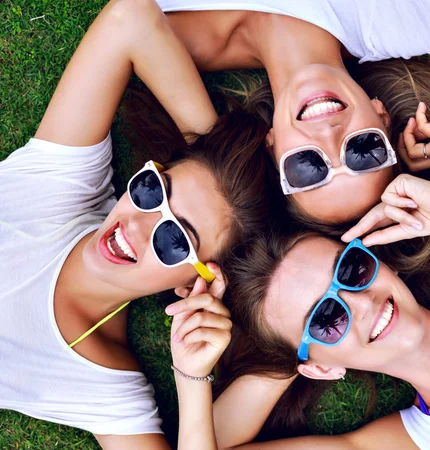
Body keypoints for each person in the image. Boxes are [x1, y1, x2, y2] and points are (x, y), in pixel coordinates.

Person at [166, 105, 430, 449]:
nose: (361, 303)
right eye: (325, 319)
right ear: (319, 369)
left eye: (351, 270)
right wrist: (192, 376)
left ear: (381, 262)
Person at [0, 0, 271, 448]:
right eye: (152, 190)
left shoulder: (98, 381)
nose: (136, 226)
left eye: (175, 238)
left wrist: (192, 378)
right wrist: (210, 150)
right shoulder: (64, 189)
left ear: (195, 284)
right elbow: (130, 18)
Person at [153, 0, 430, 225]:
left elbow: (126, 18)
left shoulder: (172, 34)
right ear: (382, 117)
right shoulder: (402, 23)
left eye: (308, 167)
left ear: (270, 145)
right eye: (363, 152)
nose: (329, 138)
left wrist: (212, 145)